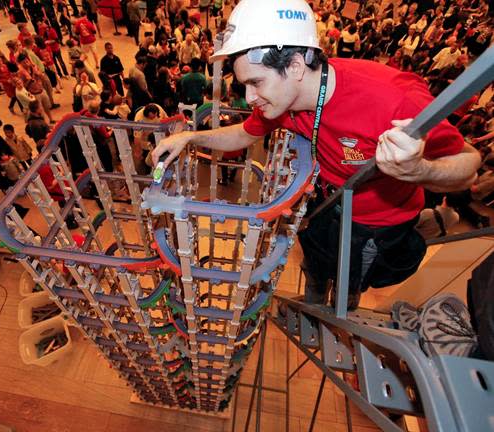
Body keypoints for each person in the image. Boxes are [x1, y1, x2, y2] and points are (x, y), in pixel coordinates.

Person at [152, 0, 481, 309]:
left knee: (352, 281)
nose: (250, 97)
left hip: (374, 223)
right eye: (244, 85)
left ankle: (424, 228)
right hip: (327, 202)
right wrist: (190, 138)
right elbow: (242, 133)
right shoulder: (280, 101)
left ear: (295, 66)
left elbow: (469, 165)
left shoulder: (393, 99)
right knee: (316, 256)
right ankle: (314, 293)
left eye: (256, 82)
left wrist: (419, 170)